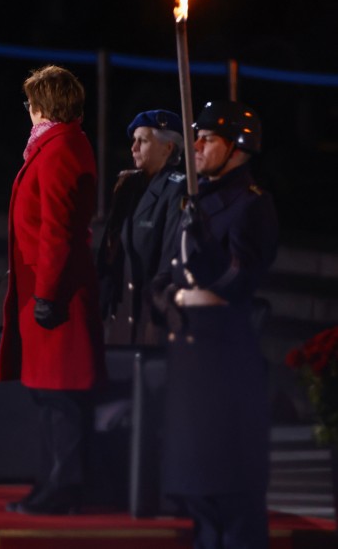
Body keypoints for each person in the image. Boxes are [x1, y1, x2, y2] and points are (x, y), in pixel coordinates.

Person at [154, 100, 278, 549]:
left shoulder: (250, 206)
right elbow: (165, 277)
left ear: (238, 149)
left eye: (209, 140)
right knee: (197, 493)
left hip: (224, 358)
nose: (197, 147)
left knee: (231, 492)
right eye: (196, 138)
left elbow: (241, 280)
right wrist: (169, 299)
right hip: (188, 353)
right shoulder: (192, 199)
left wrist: (208, 263)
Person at [0, 65, 104, 515]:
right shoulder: (55, 144)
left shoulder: (59, 149)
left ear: (45, 103)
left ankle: (66, 487)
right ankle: (54, 483)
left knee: (61, 397)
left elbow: (59, 230)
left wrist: (47, 294)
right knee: (48, 396)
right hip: (44, 290)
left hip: (56, 294)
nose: (27, 109)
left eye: (30, 101)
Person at [97, 109, 186, 346]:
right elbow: (109, 251)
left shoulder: (176, 189)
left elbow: (169, 258)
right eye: (133, 140)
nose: (133, 147)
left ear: (168, 148)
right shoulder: (127, 185)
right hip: (119, 310)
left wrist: (156, 317)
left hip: (148, 313)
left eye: (143, 141)